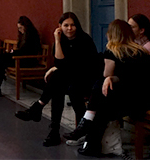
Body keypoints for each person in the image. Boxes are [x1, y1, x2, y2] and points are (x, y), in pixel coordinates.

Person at [64, 19, 150, 157]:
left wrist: (109, 78)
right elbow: (129, 79)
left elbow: (107, 74)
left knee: (102, 93)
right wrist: (112, 79)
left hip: (141, 100)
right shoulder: (139, 51)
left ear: (111, 34)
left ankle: (87, 128)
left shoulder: (113, 50)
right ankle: (90, 139)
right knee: (103, 98)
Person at [14, 12, 101, 147]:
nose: (69, 28)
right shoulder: (61, 40)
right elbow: (61, 64)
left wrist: (55, 68)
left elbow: (83, 66)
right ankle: (53, 131)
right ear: (60, 26)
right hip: (71, 77)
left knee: (60, 81)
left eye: (72, 25)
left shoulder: (85, 39)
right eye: (66, 25)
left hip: (87, 78)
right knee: (57, 87)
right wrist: (57, 39)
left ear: (77, 26)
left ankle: (39, 109)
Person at [0, 15, 42, 97]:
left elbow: (27, 51)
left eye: (20, 28)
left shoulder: (31, 36)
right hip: (20, 58)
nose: (20, 30)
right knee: (1, 61)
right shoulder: (25, 35)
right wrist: (14, 52)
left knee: (1, 59)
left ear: (26, 26)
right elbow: (22, 50)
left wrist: (13, 52)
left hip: (27, 60)